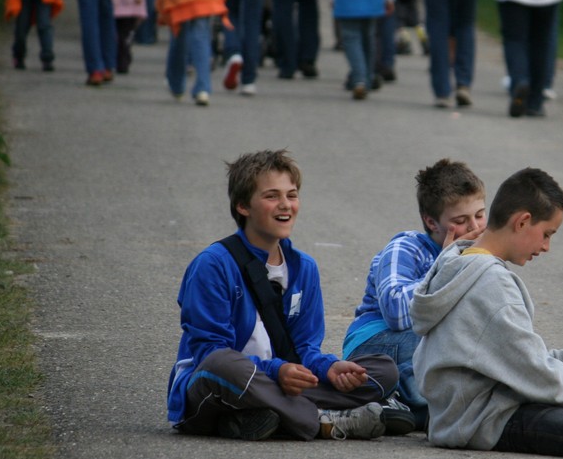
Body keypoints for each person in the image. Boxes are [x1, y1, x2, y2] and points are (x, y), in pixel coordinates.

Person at [167, 150, 400, 441]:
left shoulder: (304, 268)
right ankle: (321, 419)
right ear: (243, 206)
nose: (285, 205)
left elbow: (304, 348)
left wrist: (328, 369)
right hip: (218, 383)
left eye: (292, 195)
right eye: (271, 196)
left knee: (383, 371)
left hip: (278, 383)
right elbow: (208, 352)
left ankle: (261, 418)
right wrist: (277, 371)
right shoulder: (213, 265)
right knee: (222, 364)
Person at [409, 167, 563, 459]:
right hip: (483, 421)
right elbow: (533, 372)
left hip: (462, 413)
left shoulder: (458, 264)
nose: (546, 246)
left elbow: (513, 361)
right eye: (547, 234)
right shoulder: (491, 283)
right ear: (522, 221)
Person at [344, 159, 486, 431]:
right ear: (431, 222)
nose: (474, 227)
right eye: (460, 220)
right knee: (442, 341)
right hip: (376, 344)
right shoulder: (406, 247)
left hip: (421, 348)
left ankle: (404, 409)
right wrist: (446, 264)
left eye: (479, 215)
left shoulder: (476, 257)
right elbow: (396, 313)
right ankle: (433, 405)